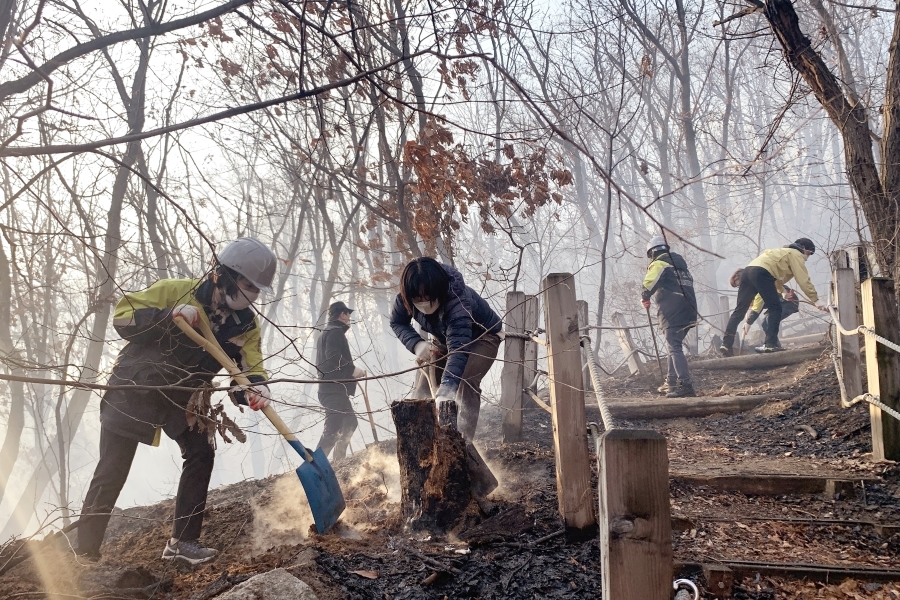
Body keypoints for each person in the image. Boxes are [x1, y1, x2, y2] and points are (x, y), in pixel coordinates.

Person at [74, 237, 277, 565]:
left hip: (184, 399)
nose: (252, 294)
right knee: (112, 468)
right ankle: (84, 550)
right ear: (223, 274)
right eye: (247, 285)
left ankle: (182, 543)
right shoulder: (176, 290)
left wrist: (256, 389)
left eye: (257, 289)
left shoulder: (246, 326)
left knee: (201, 453)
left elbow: (248, 369)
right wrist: (168, 315)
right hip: (135, 388)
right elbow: (123, 316)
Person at [389, 257, 502, 440]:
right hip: (444, 338)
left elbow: (459, 350)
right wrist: (416, 344)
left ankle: (463, 443)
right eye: (418, 298)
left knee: (463, 381)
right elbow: (397, 321)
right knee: (423, 391)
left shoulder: (457, 300)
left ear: (438, 290)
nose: (423, 302)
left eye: (428, 296)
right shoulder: (405, 296)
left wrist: (447, 391)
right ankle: (422, 443)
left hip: (482, 336)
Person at [720, 238, 825, 355]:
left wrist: (783, 291)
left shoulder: (780, 252)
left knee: (739, 311)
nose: (807, 258)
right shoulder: (796, 254)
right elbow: (803, 279)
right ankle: (770, 345)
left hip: (748, 272)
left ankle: (726, 344)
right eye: (809, 254)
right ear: (804, 248)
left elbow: (775, 278)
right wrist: (815, 299)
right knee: (775, 308)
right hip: (761, 273)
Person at [640, 236, 699, 398]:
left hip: (673, 311)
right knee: (673, 346)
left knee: (674, 346)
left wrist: (645, 296)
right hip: (689, 311)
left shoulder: (659, 263)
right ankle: (671, 382)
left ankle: (685, 385)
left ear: (652, 253)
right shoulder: (682, 267)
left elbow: (649, 283)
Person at [315, 301, 366, 460]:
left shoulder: (325, 333)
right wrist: (352, 370)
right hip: (333, 390)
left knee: (350, 422)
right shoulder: (335, 331)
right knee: (333, 430)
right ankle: (317, 465)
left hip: (332, 390)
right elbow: (333, 356)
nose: (349, 317)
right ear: (342, 314)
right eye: (347, 313)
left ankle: (339, 460)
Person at [729, 268, 800, 339]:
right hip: (777, 305)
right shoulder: (752, 289)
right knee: (764, 324)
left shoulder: (759, 283)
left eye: (741, 284)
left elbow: (758, 306)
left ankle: (772, 344)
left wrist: (749, 322)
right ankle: (774, 343)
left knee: (769, 321)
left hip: (789, 302)